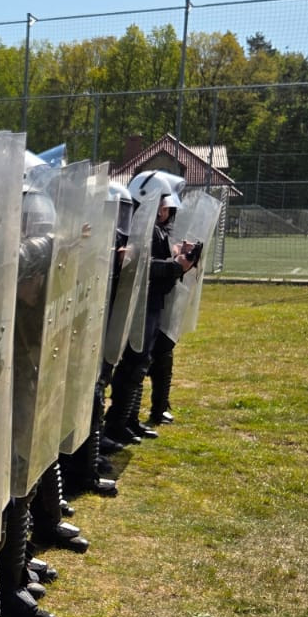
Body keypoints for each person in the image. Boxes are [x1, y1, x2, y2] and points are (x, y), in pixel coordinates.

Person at [104, 170, 194, 444]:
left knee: (140, 364)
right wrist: (175, 266)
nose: (165, 212)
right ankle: (116, 424)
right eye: (162, 206)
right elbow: (141, 268)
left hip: (151, 303)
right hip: (138, 304)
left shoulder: (152, 230)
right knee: (132, 364)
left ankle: (128, 420)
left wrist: (177, 260)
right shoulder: (135, 231)